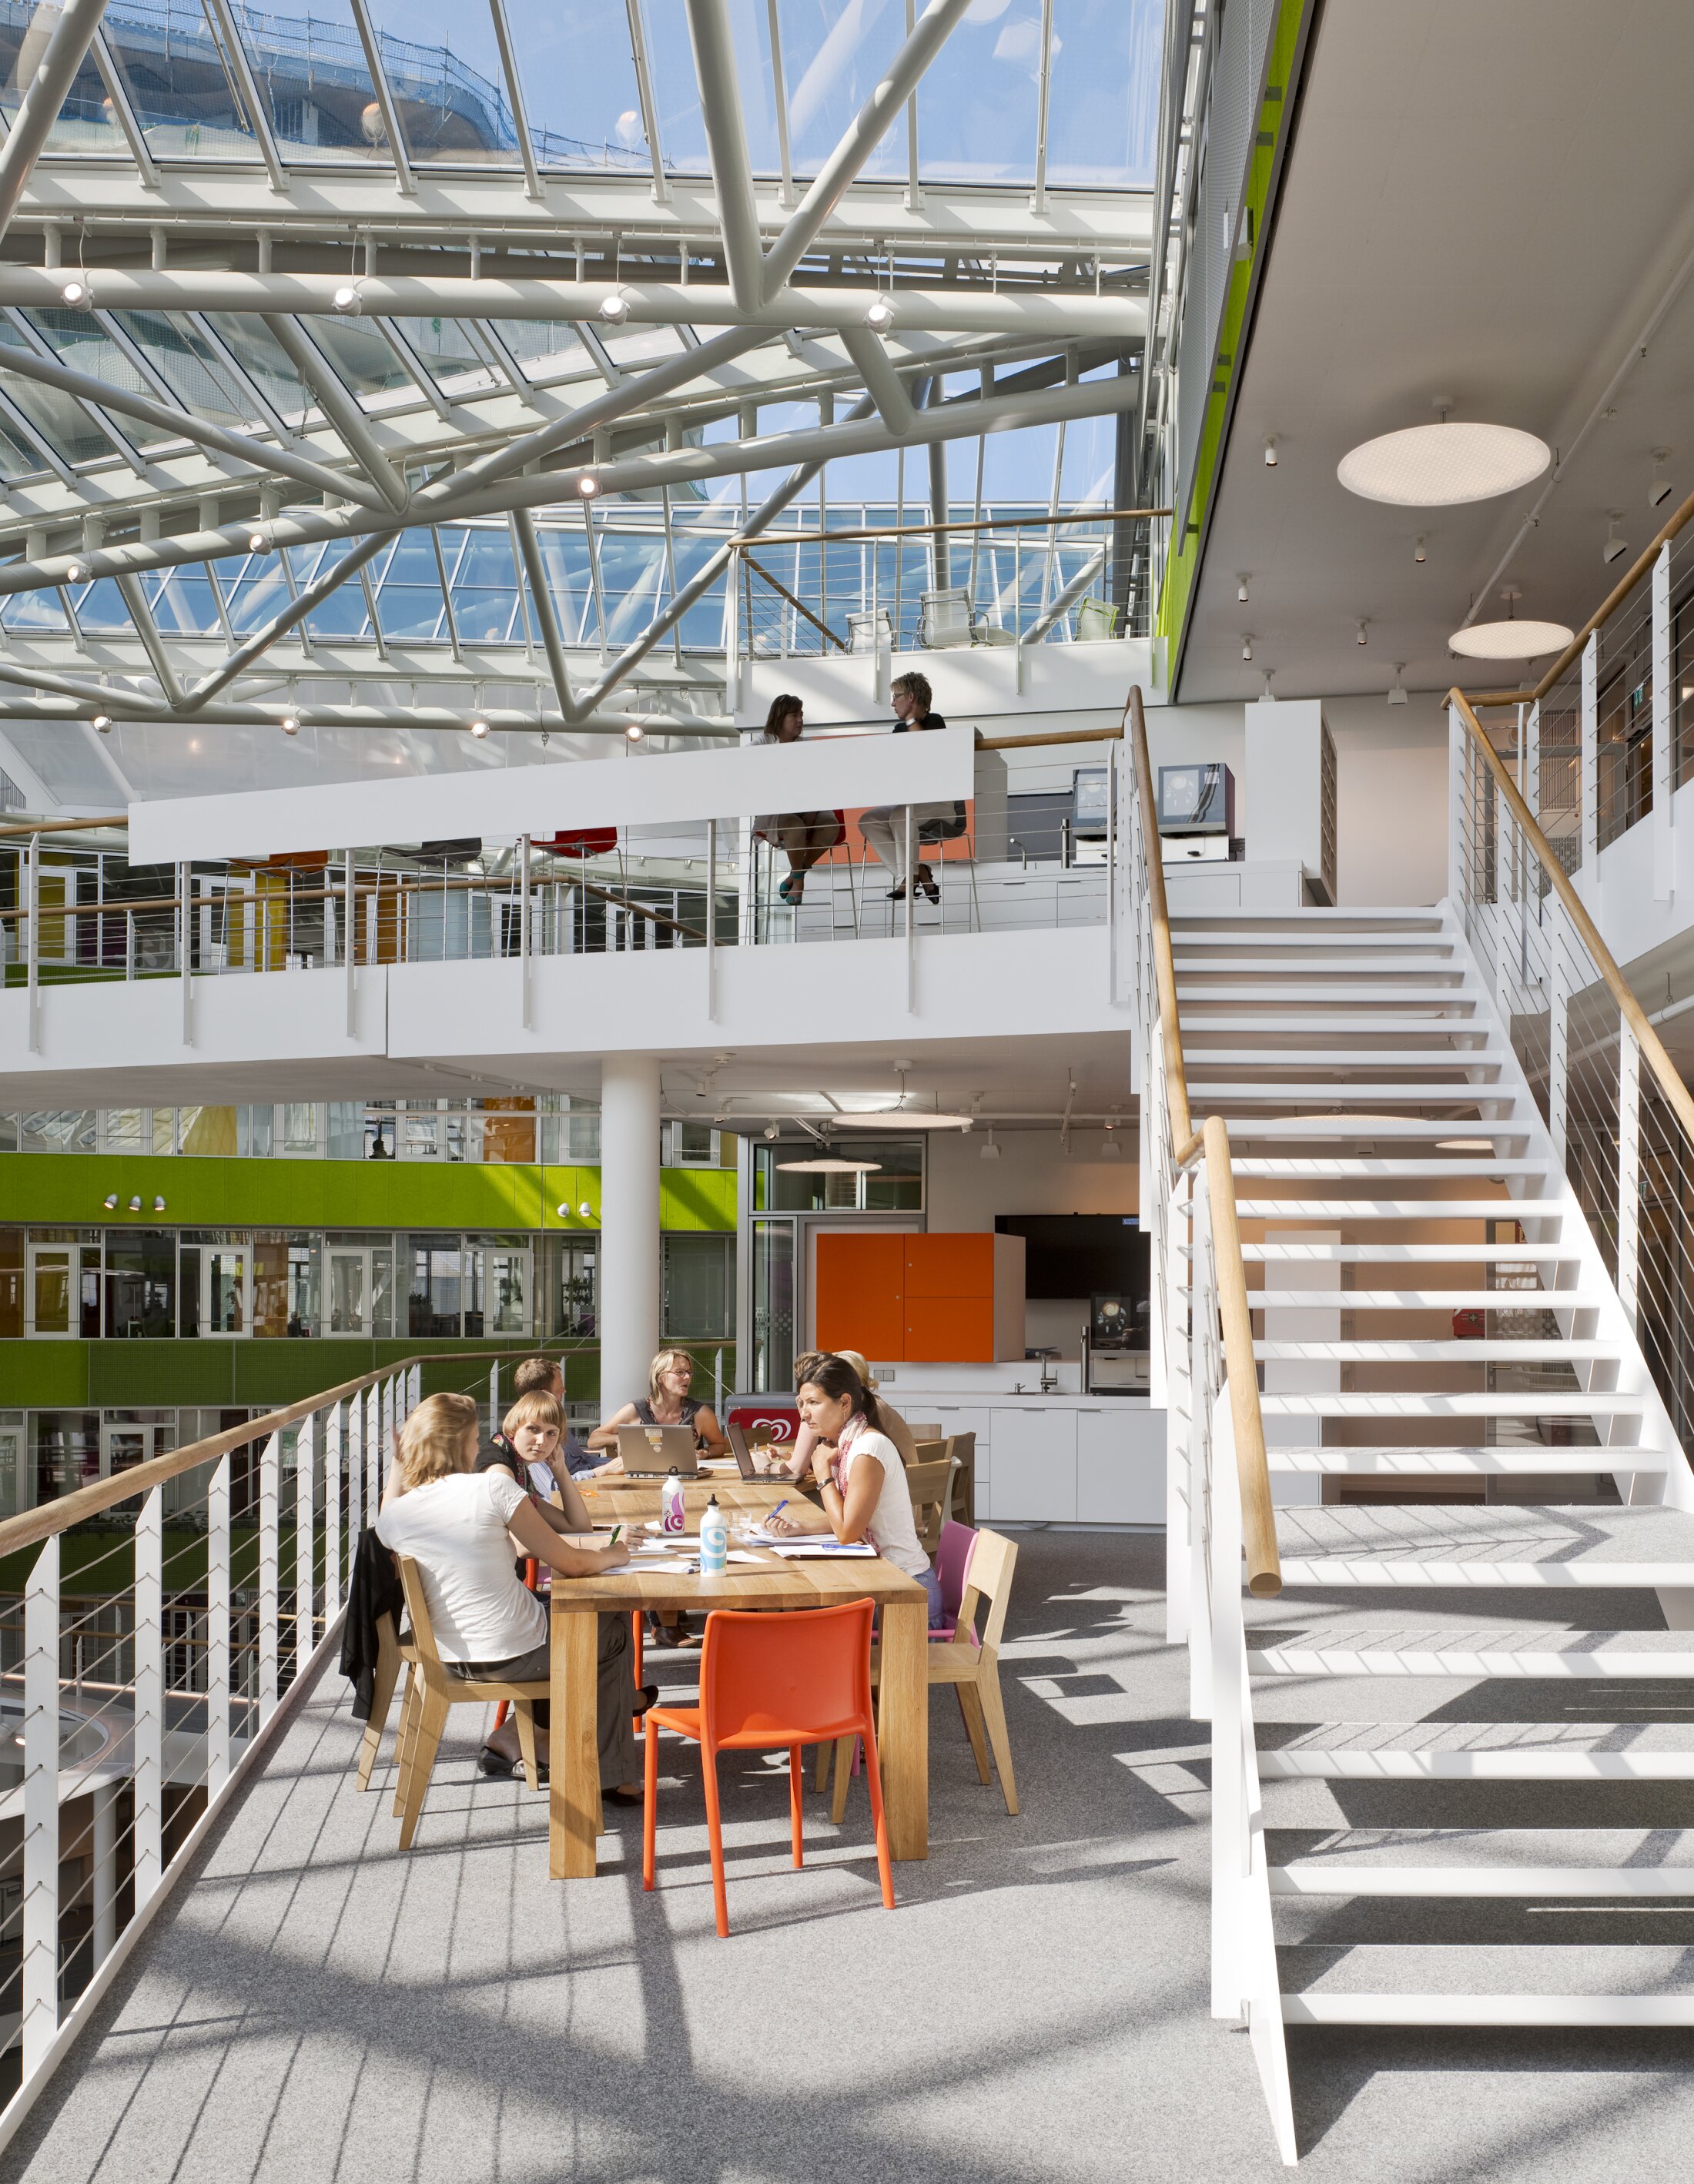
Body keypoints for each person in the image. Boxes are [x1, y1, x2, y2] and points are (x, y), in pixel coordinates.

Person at [375, 1390, 644, 1798]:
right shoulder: (492, 1489)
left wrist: (398, 1463)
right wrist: (614, 1553)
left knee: (578, 1622)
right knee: (611, 1628)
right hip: (512, 1654)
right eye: (473, 1438)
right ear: (465, 1444)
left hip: (449, 1657)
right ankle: (609, 1769)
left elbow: (388, 1505)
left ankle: (547, 1737)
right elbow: (570, 1562)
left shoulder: (394, 1515)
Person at [765, 1354, 943, 1624]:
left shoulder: (867, 1449)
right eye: (802, 1403)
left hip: (904, 1594)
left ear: (845, 1402)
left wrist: (823, 1474)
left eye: (814, 1402)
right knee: (795, 1615)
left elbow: (848, 1532)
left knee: (796, 1622)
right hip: (882, 1580)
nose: (804, 1413)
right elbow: (853, 1517)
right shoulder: (851, 1441)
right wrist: (799, 1528)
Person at [858, 671, 960, 904]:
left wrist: (912, 721)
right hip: (909, 802)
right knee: (868, 820)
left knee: (899, 815)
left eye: (896, 696)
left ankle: (909, 879)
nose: (892, 703)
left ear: (911, 697)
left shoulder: (934, 722)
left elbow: (927, 751)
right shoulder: (899, 729)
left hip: (941, 806)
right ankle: (916, 872)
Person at [752, 694, 842, 906]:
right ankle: (799, 881)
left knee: (831, 826)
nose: (800, 720)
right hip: (777, 813)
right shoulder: (762, 743)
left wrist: (811, 813)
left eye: (801, 715)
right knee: (795, 828)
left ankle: (795, 874)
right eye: (794, 715)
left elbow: (820, 784)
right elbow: (743, 766)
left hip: (808, 808)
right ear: (780, 717)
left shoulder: (807, 745)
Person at [767, 1349, 917, 1477]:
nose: (804, 1413)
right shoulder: (875, 1405)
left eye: (813, 1401)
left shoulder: (866, 1435)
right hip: (911, 1495)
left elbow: (797, 1469)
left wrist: (766, 1467)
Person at [586, 1348, 728, 1460]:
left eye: (689, 1372)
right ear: (660, 1377)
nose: (687, 1377)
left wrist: (705, 1452)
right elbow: (593, 1439)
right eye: (680, 1372)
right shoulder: (636, 1410)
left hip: (686, 1482)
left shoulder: (699, 1413)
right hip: (641, 1482)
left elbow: (720, 1445)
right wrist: (618, 1438)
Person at [499, 1354, 608, 1478]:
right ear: (545, 1393)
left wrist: (618, 1464)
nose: (564, 1390)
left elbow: (584, 1460)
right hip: (580, 1491)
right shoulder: (528, 1439)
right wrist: (601, 1471)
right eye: (560, 1386)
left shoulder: (554, 1418)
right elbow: (553, 1490)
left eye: (551, 1433)